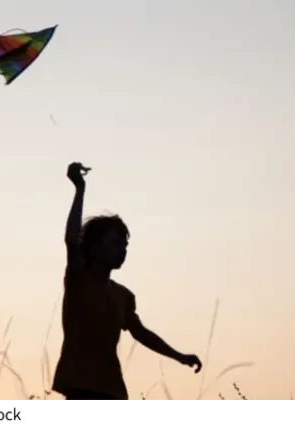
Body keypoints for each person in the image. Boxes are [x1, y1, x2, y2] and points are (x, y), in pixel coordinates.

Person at [52, 162, 203, 401]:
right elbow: (71, 239)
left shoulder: (122, 296)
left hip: (112, 390)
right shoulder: (78, 277)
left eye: (125, 245)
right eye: (115, 244)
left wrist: (179, 356)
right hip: (79, 386)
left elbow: (141, 333)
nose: (122, 250)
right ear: (94, 246)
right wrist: (80, 189)